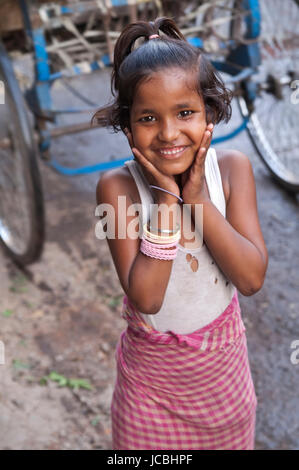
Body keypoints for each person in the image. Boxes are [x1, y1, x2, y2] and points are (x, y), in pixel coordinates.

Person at [95, 17, 268, 450]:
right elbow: (147, 298)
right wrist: (168, 203)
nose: (169, 133)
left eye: (185, 112)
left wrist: (198, 201)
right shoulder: (117, 190)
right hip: (150, 393)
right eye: (149, 118)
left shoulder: (231, 170)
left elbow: (250, 279)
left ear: (209, 110)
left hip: (224, 384)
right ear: (128, 125)